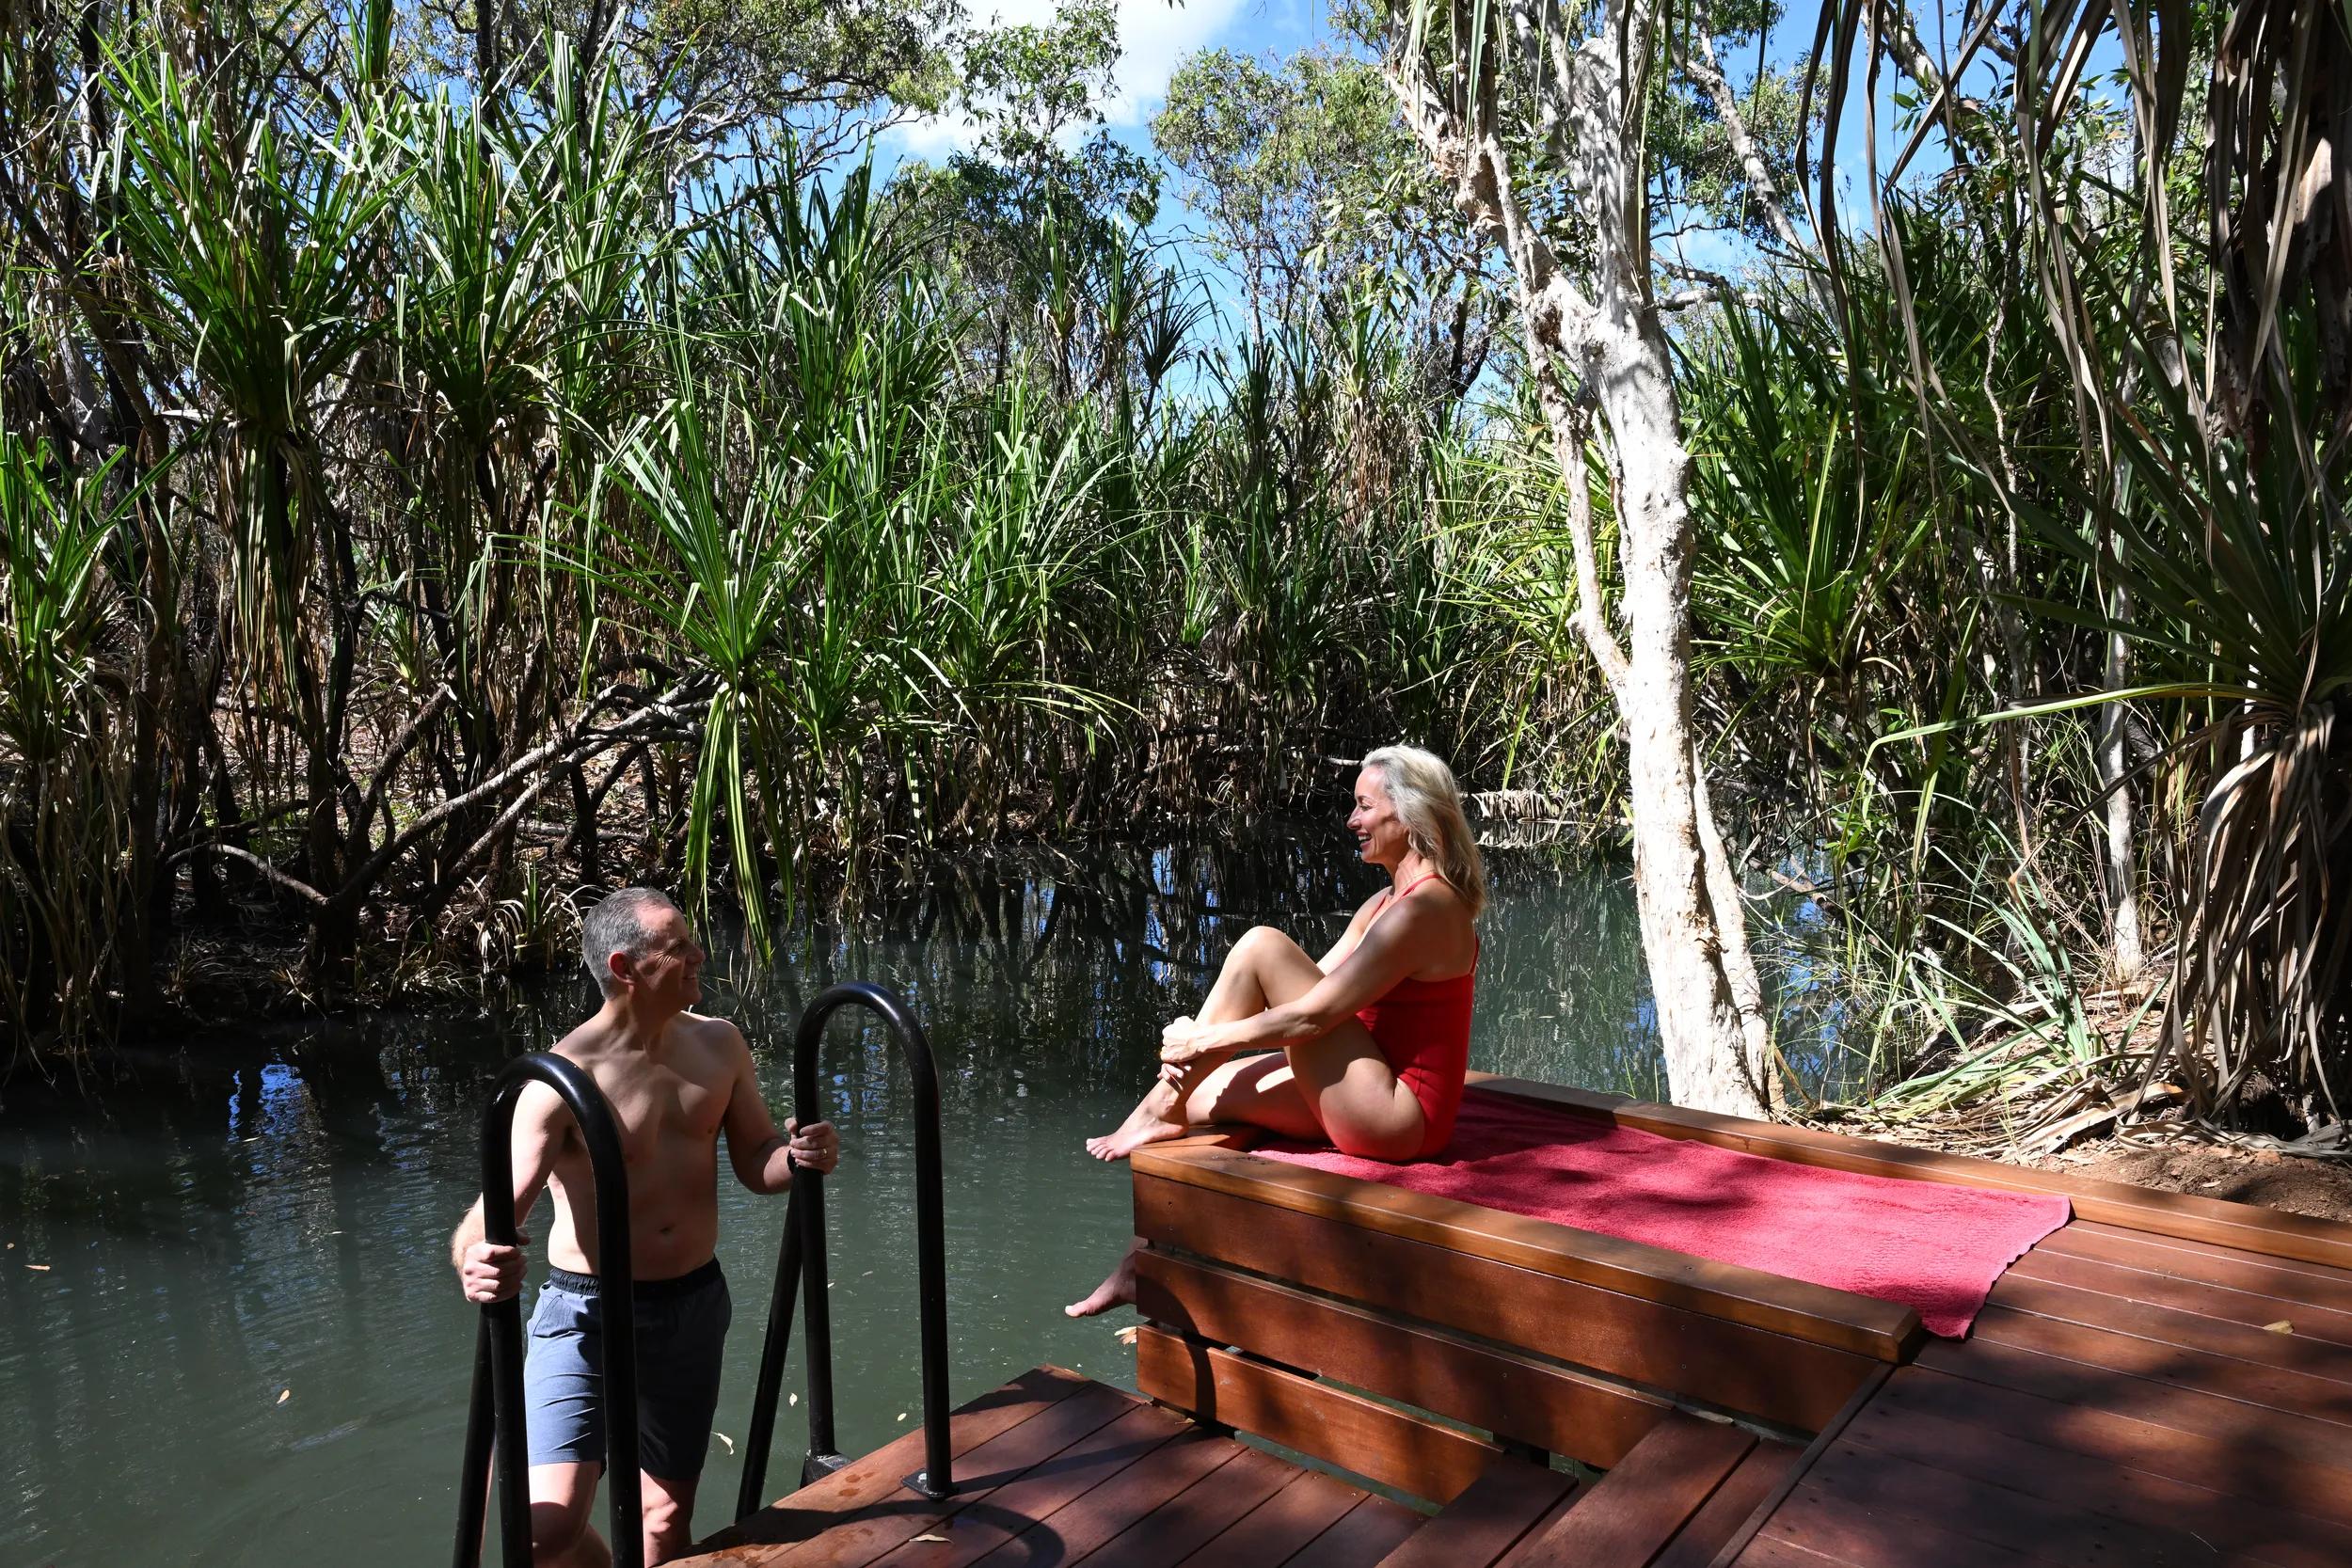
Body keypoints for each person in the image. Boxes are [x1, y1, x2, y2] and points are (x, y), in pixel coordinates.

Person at [451, 887, 839, 1567]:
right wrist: (472, 1257)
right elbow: (490, 1211)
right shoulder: (561, 1079)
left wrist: (798, 1158)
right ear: (626, 966)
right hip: (586, 1312)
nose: (698, 955)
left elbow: (755, 1157)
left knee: (662, 1521)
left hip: (690, 1303)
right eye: (678, 946)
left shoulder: (719, 1044)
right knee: (542, 1530)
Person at [1068, 745, 1484, 1316]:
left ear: (1410, 815)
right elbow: (1312, 990)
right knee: (1202, 1098)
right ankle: (1142, 1263)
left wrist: (1204, 1039)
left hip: (1398, 1116)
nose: (1351, 821)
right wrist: (1208, 1047)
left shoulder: (1427, 910)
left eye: (1363, 807)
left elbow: (1313, 1014)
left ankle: (1155, 1109)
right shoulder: (1384, 902)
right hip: (1362, 1082)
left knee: (1261, 945)